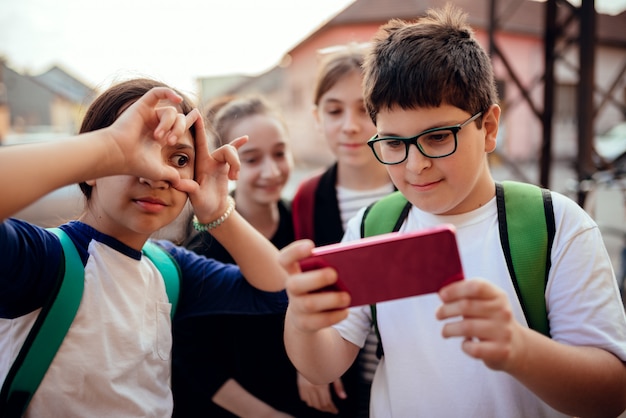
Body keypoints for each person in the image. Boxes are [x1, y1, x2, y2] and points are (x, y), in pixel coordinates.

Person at [280, 5, 626, 418]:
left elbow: (610, 393)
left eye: (439, 137)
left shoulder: (556, 226)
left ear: (490, 128)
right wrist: (302, 320)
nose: (415, 165)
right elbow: (324, 365)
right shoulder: (374, 226)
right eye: (393, 144)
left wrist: (519, 349)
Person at [0, 78, 288, 417]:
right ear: (92, 168)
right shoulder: (43, 260)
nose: (156, 173)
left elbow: (278, 291)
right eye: (137, 149)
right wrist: (111, 149)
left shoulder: (169, 270)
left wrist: (217, 212)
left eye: (180, 159)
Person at [175, 94, 324, 417]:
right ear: (224, 161)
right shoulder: (202, 248)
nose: (271, 171)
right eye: (252, 159)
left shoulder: (306, 226)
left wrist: (318, 364)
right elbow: (193, 357)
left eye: (280, 153)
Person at [290, 43, 395, 417]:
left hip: (402, 368)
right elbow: (305, 286)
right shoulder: (307, 196)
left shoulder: (415, 189)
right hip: (340, 376)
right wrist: (309, 366)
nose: (350, 126)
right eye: (334, 111)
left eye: (364, 110)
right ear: (317, 117)